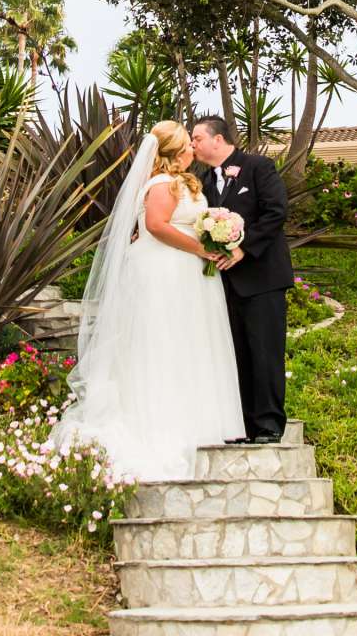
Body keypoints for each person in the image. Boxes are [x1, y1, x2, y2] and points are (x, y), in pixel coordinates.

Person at [49, 119, 246, 480]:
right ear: (171, 153)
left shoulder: (185, 182)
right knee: (163, 343)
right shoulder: (159, 184)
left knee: (190, 345)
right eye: (187, 145)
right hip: (164, 271)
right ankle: (163, 423)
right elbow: (156, 226)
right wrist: (202, 247)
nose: (192, 150)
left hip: (188, 274)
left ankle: (202, 421)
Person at [188, 115, 292, 443]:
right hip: (225, 284)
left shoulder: (258, 167)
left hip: (263, 278)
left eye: (197, 139)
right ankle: (243, 425)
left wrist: (243, 249)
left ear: (217, 140)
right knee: (236, 355)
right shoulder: (203, 182)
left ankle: (270, 424)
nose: (193, 145)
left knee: (265, 352)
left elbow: (276, 211)